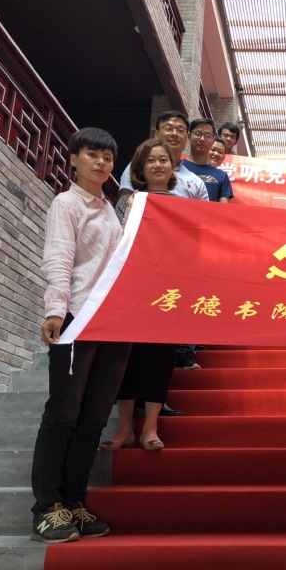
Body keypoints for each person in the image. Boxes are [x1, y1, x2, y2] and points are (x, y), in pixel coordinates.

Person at [30, 128, 133, 544]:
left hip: (115, 323)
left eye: (108, 157)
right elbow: (59, 258)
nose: (101, 163)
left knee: (94, 418)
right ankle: (46, 506)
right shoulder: (66, 204)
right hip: (78, 318)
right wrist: (55, 310)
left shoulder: (110, 211)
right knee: (64, 413)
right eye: (92, 155)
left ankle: (74, 499)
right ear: (73, 159)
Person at [101, 139, 180, 452]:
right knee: (125, 358)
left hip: (167, 292)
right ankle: (124, 429)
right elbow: (114, 242)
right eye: (151, 160)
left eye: (164, 160)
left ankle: (149, 427)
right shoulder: (127, 202)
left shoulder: (183, 205)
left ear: (172, 167)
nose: (158, 165)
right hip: (131, 289)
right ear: (140, 168)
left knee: (159, 358)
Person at [118, 110, 209, 202]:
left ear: (187, 137)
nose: (174, 134)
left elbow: (203, 211)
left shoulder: (196, 183)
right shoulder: (136, 169)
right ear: (156, 134)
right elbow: (125, 202)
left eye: (180, 130)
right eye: (168, 129)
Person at [183, 118, 234, 203]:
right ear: (189, 136)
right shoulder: (175, 167)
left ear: (213, 140)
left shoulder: (221, 176)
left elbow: (223, 208)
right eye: (198, 134)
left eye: (207, 136)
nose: (202, 139)